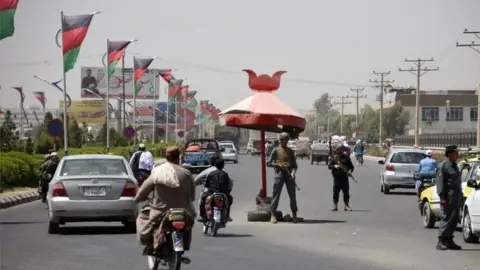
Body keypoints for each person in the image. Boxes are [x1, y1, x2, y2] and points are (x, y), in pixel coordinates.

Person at [134, 146, 196, 249]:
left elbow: (143, 190)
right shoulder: (187, 174)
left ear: (167, 157)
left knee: (143, 217)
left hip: (159, 212)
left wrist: (137, 199)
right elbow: (192, 197)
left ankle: (149, 243)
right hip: (184, 212)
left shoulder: (157, 172)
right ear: (179, 157)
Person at [267, 132, 300, 224]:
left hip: (289, 176)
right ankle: (273, 215)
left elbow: (295, 166)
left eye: (286, 141)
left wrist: (293, 173)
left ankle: (294, 215)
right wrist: (277, 165)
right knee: (276, 195)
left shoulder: (290, 151)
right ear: (280, 141)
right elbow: (268, 163)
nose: (284, 142)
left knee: (292, 196)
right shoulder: (275, 150)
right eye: (283, 141)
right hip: (279, 175)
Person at [436, 145, 462, 251]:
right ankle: (441, 240)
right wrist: (442, 197)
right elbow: (440, 183)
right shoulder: (443, 166)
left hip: (456, 196)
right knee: (446, 217)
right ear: (450, 154)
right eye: (456, 153)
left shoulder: (454, 165)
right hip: (448, 196)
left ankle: (449, 239)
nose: (457, 155)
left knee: (454, 218)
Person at [199, 157, 234, 222]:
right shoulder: (225, 174)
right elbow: (229, 185)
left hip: (211, 193)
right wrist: (227, 192)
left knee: (202, 198)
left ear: (215, 165)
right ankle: (227, 216)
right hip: (223, 193)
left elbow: (207, 185)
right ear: (223, 166)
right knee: (230, 199)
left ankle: (202, 215)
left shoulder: (211, 173)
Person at [328, 147, 354, 211]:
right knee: (336, 192)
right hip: (336, 178)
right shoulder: (334, 158)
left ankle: (346, 205)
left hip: (344, 178)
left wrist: (349, 172)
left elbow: (352, 167)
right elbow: (329, 166)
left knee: (346, 192)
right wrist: (334, 166)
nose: (340, 151)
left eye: (341, 150)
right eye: (338, 150)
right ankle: (335, 205)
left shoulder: (346, 158)